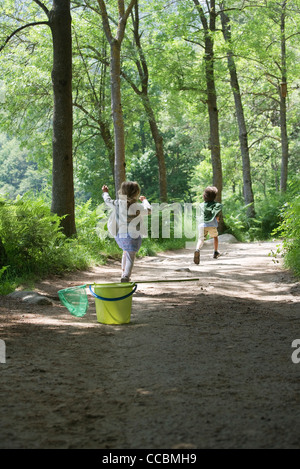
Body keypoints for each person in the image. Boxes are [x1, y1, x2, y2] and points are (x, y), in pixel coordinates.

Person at [102, 181, 151, 282]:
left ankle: (123, 273)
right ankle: (126, 276)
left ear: (122, 192)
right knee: (130, 256)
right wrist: (145, 201)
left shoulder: (118, 204)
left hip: (120, 235)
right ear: (136, 193)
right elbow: (149, 210)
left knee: (125, 252)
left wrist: (105, 192)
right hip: (133, 236)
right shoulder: (137, 207)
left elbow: (107, 200)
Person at [194, 186, 223, 265]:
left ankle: (197, 250)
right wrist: (217, 219)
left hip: (201, 224)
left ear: (204, 196)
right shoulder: (216, 205)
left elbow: (199, 215)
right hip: (211, 224)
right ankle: (215, 252)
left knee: (201, 239)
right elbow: (216, 216)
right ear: (214, 196)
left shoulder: (201, 205)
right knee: (215, 237)